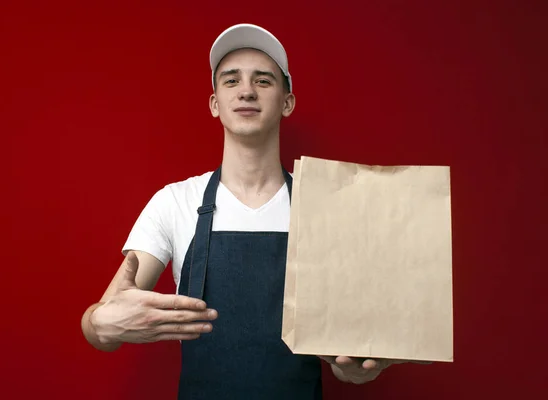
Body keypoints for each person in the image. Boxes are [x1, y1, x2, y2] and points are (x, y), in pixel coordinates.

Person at [81, 23, 408, 399]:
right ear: (215, 103)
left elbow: (348, 351)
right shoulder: (174, 202)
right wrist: (102, 324)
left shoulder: (323, 207)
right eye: (231, 80)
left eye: (264, 81)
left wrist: (354, 368)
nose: (247, 91)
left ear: (287, 102)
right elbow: (99, 324)